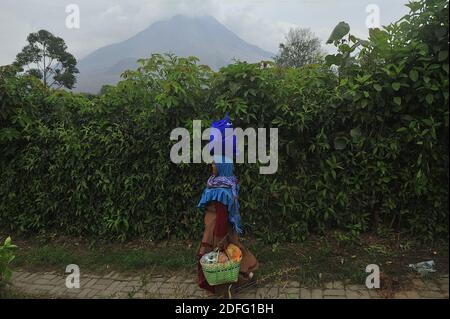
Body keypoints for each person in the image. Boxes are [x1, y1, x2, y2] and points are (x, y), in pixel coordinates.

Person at [196, 115, 258, 295]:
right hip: (219, 228)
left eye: (214, 164)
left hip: (217, 231)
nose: (211, 166)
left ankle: (219, 286)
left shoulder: (221, 189)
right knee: (233, 254)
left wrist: (219, 238)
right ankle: (245, 277)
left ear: (223, 166)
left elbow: (222, 214)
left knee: (216, 257)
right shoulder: (223, 183)